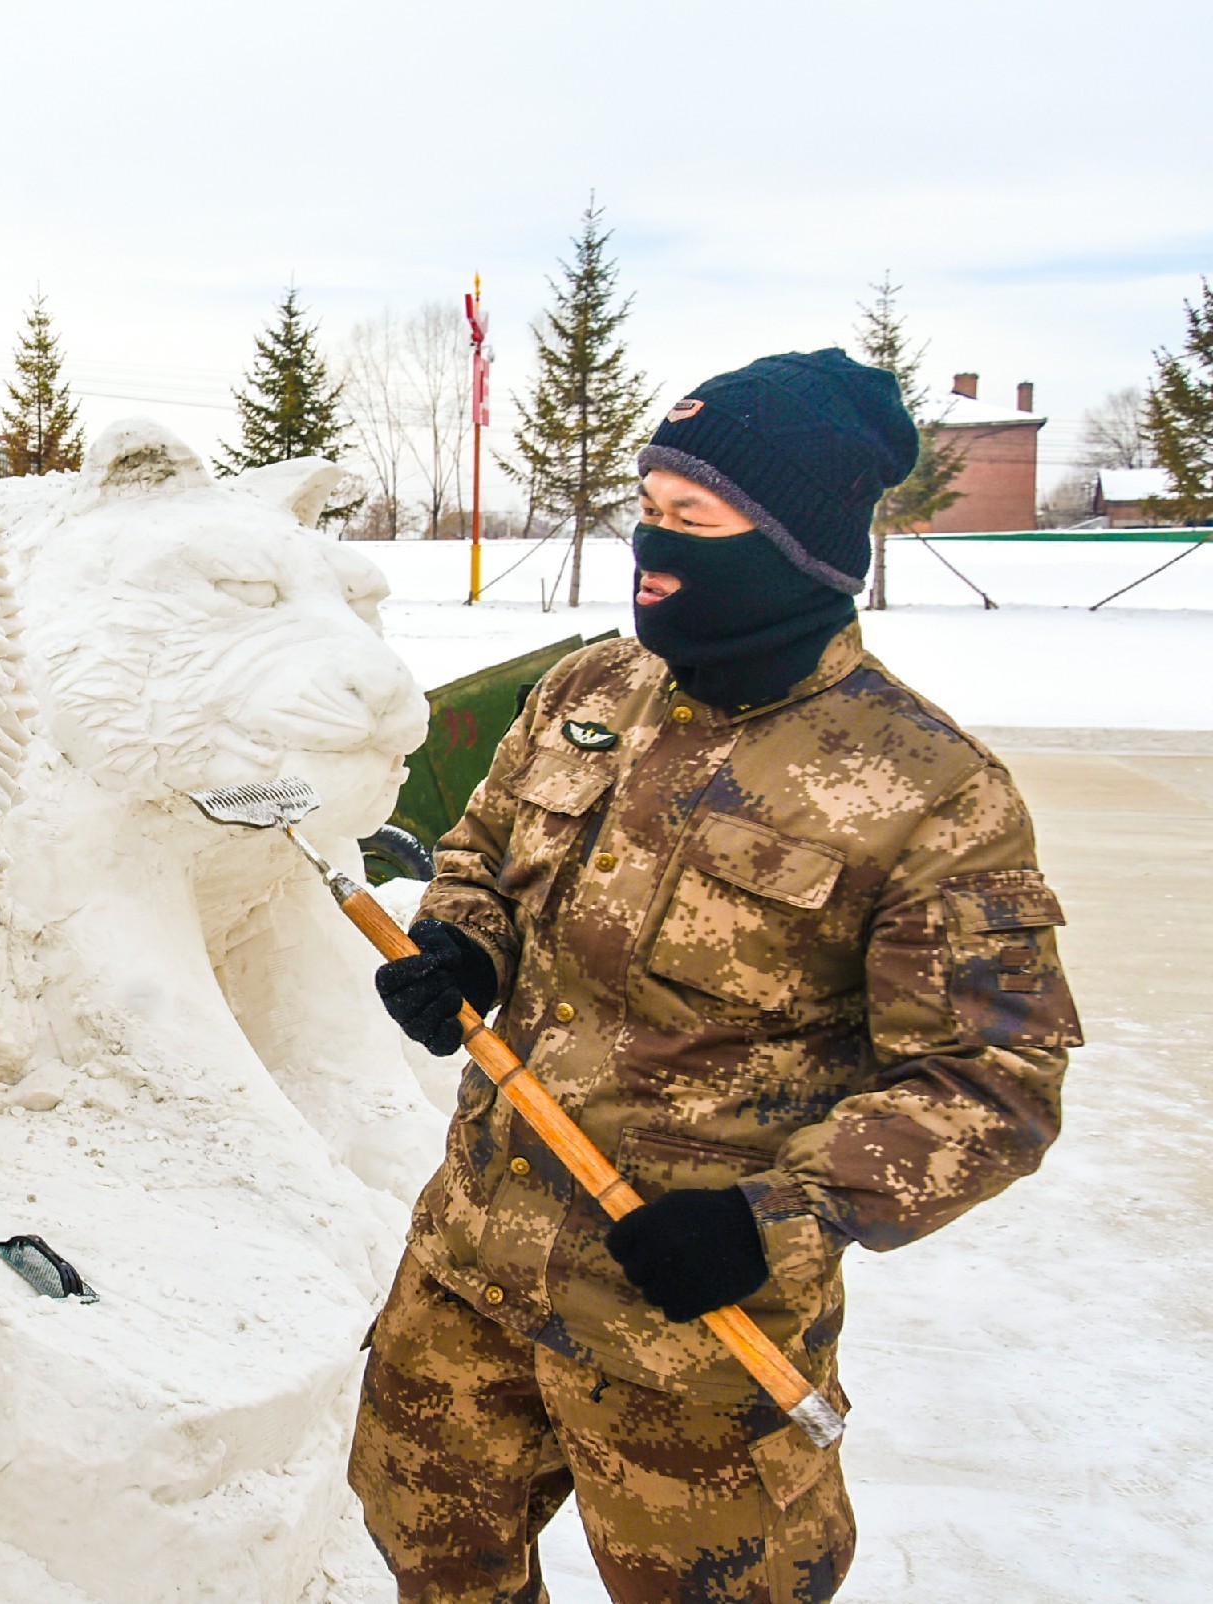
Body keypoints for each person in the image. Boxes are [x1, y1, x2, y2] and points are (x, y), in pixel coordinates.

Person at [349, 348, 1083, 1604]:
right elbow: (480, 850)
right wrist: (464, 938)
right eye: (647, 507)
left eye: (692, 518)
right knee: (429, 1547)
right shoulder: (591, 690)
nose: (653, 541)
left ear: (797, 542)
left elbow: (993, 1079)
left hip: (689, 1326)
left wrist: (775, 1224)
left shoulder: (927, 789)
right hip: (472, 1265)